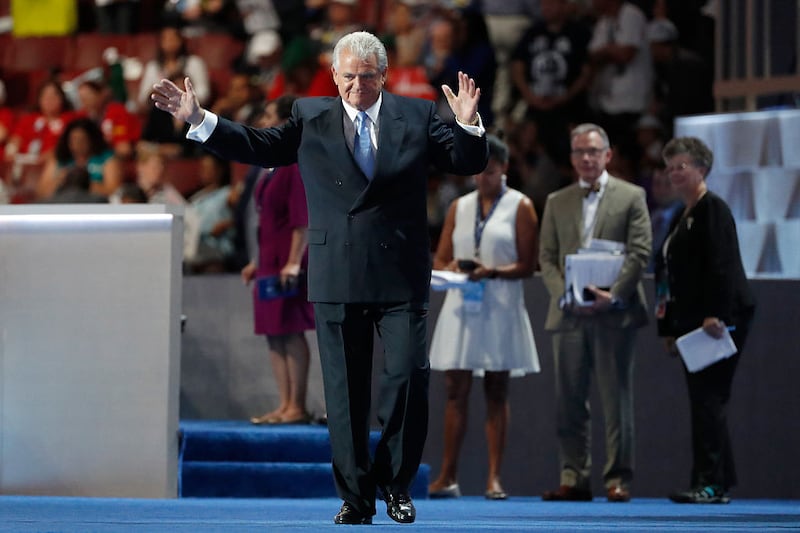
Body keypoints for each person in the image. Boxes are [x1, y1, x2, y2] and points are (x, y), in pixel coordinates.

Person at [151, 30, 488, 525]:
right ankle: (356, 497)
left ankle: (395, 485)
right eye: (347, 76)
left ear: (384, 76)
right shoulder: (310, 116)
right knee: (344, 392)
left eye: (366, 76)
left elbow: (464, 161)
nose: (355, 85)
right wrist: (200, 119)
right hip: (337, 271)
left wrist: (467, 125)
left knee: (408, 378)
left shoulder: (415, 115)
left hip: (399, 272)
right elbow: (260, 146)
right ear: (333, 76)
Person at [538, 123, 651, 502]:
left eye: (593, 151)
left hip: (613, 313)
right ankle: (574, 476)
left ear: (608, 155)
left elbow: (640, 252)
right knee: (568, 401)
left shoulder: (632, 195)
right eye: (579, 152)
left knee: (615, 400)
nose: (586, 158)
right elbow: (547, 258)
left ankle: (618, 478)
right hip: (570, 313)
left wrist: (613, 294)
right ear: (571, 159)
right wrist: (564, 295)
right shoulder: (557, 200)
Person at [427, 134, 540, 501]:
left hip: (500, 305)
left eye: (489, 171)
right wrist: (457, 267)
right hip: (462, 305)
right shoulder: (459, 207)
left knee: (496, 389)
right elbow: (440, 258)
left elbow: (528, 264)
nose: (482, 178)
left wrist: (491, 271)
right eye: (477, 172)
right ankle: (447, 476)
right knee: (454, 391)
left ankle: (494, 478)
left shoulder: (521, 206)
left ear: (504, 168)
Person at [655, 137, 756, 504]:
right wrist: (668, 327)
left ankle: (709, 483)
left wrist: (719, 314)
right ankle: (717, 479)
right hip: (692, 323)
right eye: (669, 168)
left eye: (681, 166)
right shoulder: (681, 216)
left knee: (709, 400)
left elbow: (723, 265)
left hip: (715, 321)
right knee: (705, 401)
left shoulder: (713, 209)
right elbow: (667, 276)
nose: (674, 174)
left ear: (703, 169)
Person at [241, 94, 315, 426]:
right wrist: (257, 262)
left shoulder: (294, 164)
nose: (262, 122)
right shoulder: (267, 167)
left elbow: (302, 219)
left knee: (291, 330)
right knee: (274, 332)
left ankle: (297, 405)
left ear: (285, 123)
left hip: (288, 259)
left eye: (269, 115)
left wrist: (294, 262)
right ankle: (284, 404)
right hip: (270, 261)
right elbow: (264, 220)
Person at [37, 117, 124, 200]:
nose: (78, 144)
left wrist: (82, 184)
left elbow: (114, 191)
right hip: (61, 205)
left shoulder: (107, 159)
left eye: (82, 139)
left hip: (94, 204)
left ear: (91, 140)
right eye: (74, 139)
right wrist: (59, 182)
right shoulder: (58, 160)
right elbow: (40, 193)